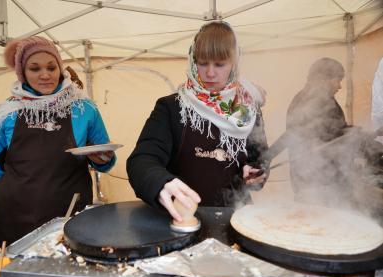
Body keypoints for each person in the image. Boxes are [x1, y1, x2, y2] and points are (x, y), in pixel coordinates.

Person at [0, 36, 115, 247]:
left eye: (52, 67)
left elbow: (104, 157)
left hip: (67, 216)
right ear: (22, 72)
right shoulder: (7, 112)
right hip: (12, 218)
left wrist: (103, 158)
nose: (45, 75)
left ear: (60, 68)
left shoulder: (84, 108)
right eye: (34, 69)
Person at [126, 22, 268, 222]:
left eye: (220, 64)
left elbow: (260, 159)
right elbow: (142, 160)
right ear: (193, 61)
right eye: (203, 63)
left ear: (234, 63)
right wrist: (160, 183)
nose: (210, 73)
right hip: (182, 219)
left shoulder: (248, 111)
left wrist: (257, 173)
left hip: (237, 218)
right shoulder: (172, 107)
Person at [285, 57, 354, 203]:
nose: (339, 86)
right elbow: (336, 138)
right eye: (337, 79)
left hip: (308, 180)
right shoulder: (319, 101)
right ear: (324, 79)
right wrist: (354, 134)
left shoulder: (302, 97)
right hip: (320, 182)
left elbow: (334, 132)